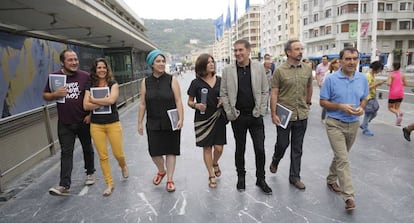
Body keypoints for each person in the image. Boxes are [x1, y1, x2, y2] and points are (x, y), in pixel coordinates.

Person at [220, 39, 272, 195]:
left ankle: (261, 178)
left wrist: (261, 110)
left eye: (240, 50)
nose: (237, 53)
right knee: (240, 149)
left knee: (260, 149)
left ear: (249, 51)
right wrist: (230, 113)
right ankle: (241, 177)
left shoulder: (258, 68)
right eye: (235, 50)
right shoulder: (228, 70)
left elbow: (264, 90)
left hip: (256, 116)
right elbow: (224, 93)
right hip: (238, 117)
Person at [320, 47, 369, 211]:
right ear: (340, 61)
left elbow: (364, 98)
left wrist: (362, 108)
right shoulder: (331, 79)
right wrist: (340, 106)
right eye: (348, 59)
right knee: (343, 159)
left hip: (354, 123)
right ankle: (349, 196)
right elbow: (323, 102)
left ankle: (331, 178)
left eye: (355, 58)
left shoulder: (362, 78)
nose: (352, 62)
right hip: (335, 123)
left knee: (341, 156)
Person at [43, 49, 95, 196]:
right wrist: (55, 94)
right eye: (70, 60)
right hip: (65, 122)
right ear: (62, 62)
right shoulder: (55, 77)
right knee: (66, 153)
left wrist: (91, 114)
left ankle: (90, 172)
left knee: (87, 147)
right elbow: (45, 95)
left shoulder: (85, 77)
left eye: (75, 59)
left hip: (83, 120)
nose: (74, 62)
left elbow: (91, 96)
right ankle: (64, 185)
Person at [269, 39, 313, 190]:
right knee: (282, 144)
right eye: (297, 49)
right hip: (284, 114)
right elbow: (274, 93)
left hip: (302, 114)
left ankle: (295, 177)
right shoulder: (280, 71)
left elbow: (309, 87)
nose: (300, 51)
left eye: (301, 48)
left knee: (297, 147)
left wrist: (308, 103)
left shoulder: (307, 69)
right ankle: (276, 159)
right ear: (288, 52)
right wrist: (273, 113)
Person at [137, 49, 184, 192]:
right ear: (152, 64)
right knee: (154, 152)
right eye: (158, 61)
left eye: (163, 61)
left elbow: (178, 100)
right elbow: (142, 103)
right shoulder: (145, 82)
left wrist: (181, 118)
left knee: (171, 151)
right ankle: (161, 170)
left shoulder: (172, 80)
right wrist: (139, 122)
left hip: (171, 120)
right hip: (153, 121)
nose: (162, 63)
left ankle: (169, 179)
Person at [83, 58, 129, 196]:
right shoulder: (90, 84)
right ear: (95, 70)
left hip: (113, 123)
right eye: (99, 68)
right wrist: (103, 102)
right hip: (96, 125)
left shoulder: (112, 83)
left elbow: (112, 100)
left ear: (107, 69)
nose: (101, 70)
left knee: (118, 153)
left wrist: (94, 100)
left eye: (104, 67)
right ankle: (109, 183)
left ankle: (123, 165)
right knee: (103, 156)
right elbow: (85, 105)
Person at [187, 53, 226, 188]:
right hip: (202, 119)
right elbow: (189, 102)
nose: (211, 64)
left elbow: (227, 96)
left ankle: (215, 162)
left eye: (212, 62)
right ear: (202, 65)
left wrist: (223, 100)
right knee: (207, 148)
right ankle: (211, 174)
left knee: (219, 148)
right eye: (208, 62)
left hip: (218, 117)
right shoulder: (195, 83)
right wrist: (196, 105)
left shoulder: (221, 80)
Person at [359, 61, 386, 136]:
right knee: (369, 113)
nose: (380, 71)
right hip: (368, 97)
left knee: (374, 112)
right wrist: (376, 84)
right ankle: (365, 128)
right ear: (377, 68)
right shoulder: (367, 76)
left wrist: (377, 84)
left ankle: (364, 124)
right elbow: (366, 87)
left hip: (372, 96)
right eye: (380, 69)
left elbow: (372, 85)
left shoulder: (372, 75)